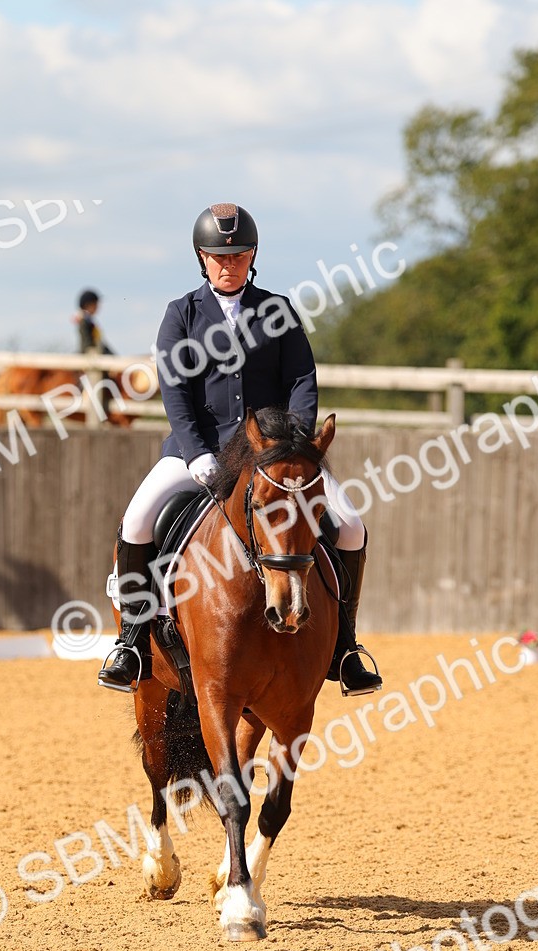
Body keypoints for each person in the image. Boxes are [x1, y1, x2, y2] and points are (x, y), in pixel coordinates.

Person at [97, 203, 382, 697]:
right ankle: (131, 642)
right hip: (197, 453)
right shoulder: (180, 313)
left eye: (239, 255)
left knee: (352, 526)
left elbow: (302, 381)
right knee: (137, 520)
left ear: (253, 256)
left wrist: (293, 447)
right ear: (201, 258)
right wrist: (196, 452)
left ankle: (345, 648)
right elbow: (175, 392)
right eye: (219, 256)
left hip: (271, 458)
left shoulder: (278, 311)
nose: (229, 265)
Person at [76, 289, 114, 356]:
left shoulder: (89, 320)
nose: (98, 306)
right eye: (95, 303)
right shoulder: (85, 320)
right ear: (88, 305)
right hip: (90, 354)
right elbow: (87, 341)